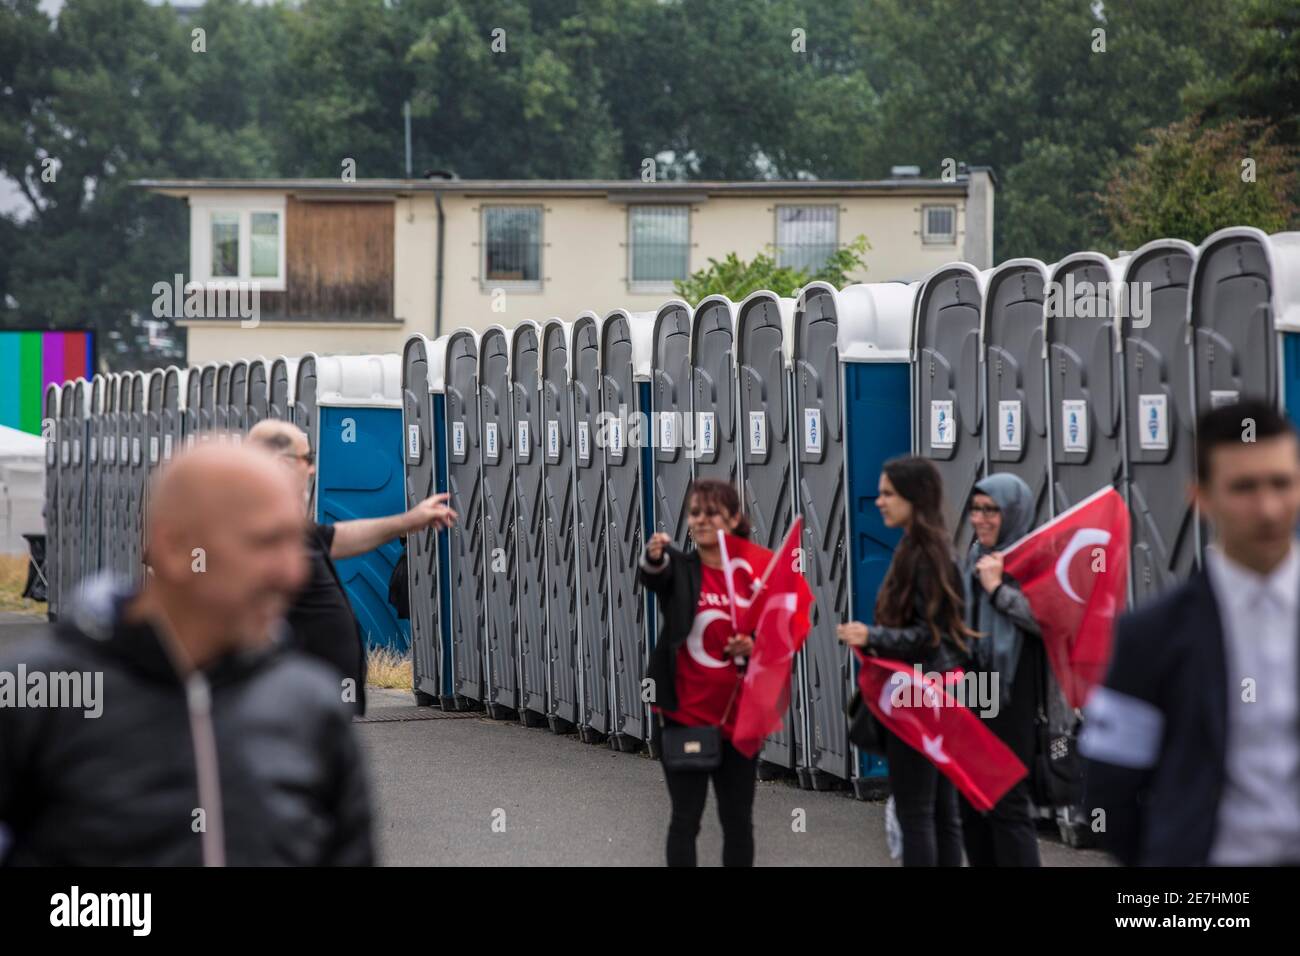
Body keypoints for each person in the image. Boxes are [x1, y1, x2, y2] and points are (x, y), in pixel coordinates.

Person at [0, 442, 373, 865]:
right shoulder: (33, 691)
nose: (294, 573)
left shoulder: (310, 704)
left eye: (296, 543)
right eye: (265, 542)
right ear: (178, 549)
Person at [1082, 399, 1300, 865]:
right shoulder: (1152, 635)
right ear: (1201, 498)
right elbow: (1109, 788)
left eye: (1281, 484)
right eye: (1243, 488)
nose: (1267, 508)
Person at [246, 420, 456, 714]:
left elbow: (336, 539)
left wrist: (410, 520)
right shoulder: (254, 526)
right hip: (287, 706)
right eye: (306, 459)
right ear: (282, 463)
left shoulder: (283, 525)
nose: (312, 469)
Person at [837, 456, 974, 867]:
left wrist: (871, 635)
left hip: (919, 698)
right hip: (942, 696)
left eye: (888, 494)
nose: (879, 502)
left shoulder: (924, 555)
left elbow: (929, 636)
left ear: (915, 498)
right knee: (942, 812)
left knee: (917, 813)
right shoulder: (931, 548)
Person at [641, 479, 758, 867]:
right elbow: (653, 577)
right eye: (695, 513)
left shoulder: (752, 574)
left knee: (738, 821)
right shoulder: (680, 568)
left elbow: (777, 634)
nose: (701, 520)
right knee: (685, 818)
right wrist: (654, 558)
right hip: (683, 714)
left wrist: (753, 644)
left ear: (735, 519)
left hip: (739, 719)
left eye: (712, 513)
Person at [958, 473, 1042, 866]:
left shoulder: (1034, 561)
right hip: (973, 694)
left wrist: (997, 589)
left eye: (992, 510)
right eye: (977, 509)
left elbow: (1048, 620)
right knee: (971, 805)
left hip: (1013, 700)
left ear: (1013, 513)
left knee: (1008, 806)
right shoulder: (974, 558)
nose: (982, 518)